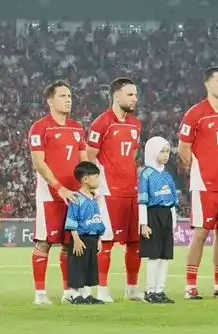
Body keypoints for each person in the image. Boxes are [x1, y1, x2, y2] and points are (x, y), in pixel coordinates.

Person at [178, 67, 218, 300]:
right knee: (201, 233)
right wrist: (197, 172)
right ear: (207, 84)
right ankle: (190, 285)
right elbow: (183, 148)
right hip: (204, 184)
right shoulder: (195, 114)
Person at [84, 77, 143, 303]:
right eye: (130, 94)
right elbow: (90, 156)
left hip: (132, 191)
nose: (134, 99)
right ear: (116, 96)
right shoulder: (102, 123)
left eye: (135, 95)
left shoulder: (136, 124)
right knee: (106, 242)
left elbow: (133, 155)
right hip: (110, 192)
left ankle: (132, 287)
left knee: (135, 242)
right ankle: (102, 289)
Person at [28, 81, 86, 305]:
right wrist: (58, 187)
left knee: (69, 242)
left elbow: (84, 162)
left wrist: (86, 187)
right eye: (63, 95)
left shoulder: (77, 128)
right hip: (49, 195)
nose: (68, 99)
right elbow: (39, 164)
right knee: (44, 242)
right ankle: (40, 293)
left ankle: (68, 291)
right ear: (50, 101)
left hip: (74, 195)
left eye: (70, 95)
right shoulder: (40, 128)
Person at [135, 137, 179, 304]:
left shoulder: (168, 175)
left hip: (166, 216)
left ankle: (160, 290)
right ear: (153, 152)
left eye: (167, 151)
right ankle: (150, 291)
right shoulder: (146, 174)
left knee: (165, 256)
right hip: (152, 215)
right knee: (154, 256)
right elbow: (142, 202)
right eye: (162, 151)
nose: (166, 155)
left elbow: (173, 202)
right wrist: (143, 224)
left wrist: (173, 222)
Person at [64, 162, 107, 305]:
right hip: (80, 238)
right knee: (78, 266)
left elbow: (98, 219)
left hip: (93, 238)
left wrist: (99, 239)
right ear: (85, 179)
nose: (98, 180)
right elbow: (72, 219)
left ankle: (87, 294)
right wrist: (75, 239)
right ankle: (76, 295)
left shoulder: (95, 199)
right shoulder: (77, 198)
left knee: (90, 266)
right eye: (96, 177)